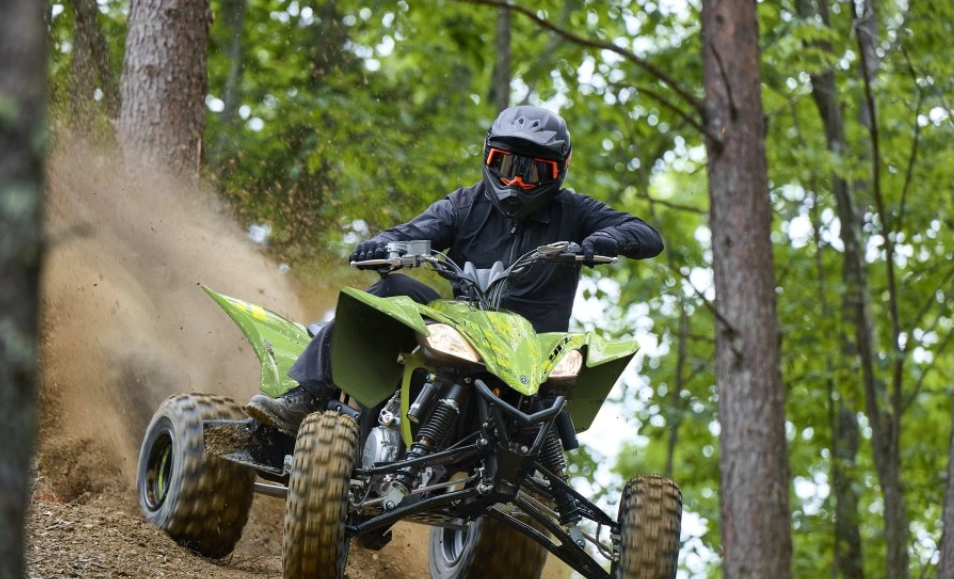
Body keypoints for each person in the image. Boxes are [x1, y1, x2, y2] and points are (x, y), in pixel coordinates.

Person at [247, 105, 664, 433]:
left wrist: (608, 240)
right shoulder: (466, 204)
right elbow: (419, 230)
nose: (517, 182)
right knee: (393, 291)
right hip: (463, 332)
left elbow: (645, 233)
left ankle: (541, 476)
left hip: (533, 349)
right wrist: (386, 246)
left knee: (572, 376)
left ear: (560, 171)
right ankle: (305, 396)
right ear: (488, 157)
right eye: (506, 165)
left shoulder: (574, 211)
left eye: (534, 171)